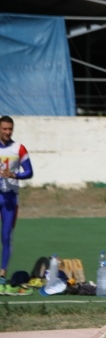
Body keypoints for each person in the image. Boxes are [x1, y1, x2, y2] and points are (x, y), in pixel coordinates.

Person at [0, 116, 33, 286]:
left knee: (6, 236)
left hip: (10, 198)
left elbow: (29, 172)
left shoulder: (18, 148)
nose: (8, 132)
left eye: (10, 129)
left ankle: (2, 275)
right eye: (4, 129)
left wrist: (14, 174)